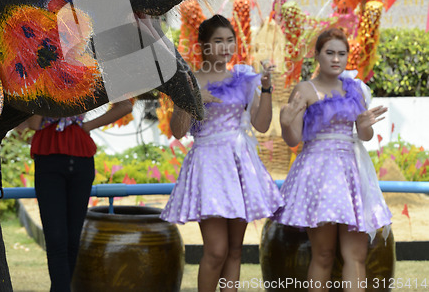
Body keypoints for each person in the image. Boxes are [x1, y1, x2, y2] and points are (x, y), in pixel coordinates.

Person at [160, 15, 284, 292]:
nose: (226, 46)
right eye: (218, 41)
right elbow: (178, 132)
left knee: (235, 251)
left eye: (230, 40)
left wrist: (265, 88)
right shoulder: (188, 81)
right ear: (203, 45)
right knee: (216, 250)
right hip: (208, 165)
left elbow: (261, 125)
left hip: (239, 162)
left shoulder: (244, 79)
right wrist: (189, 101)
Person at [274, 27, 391, 292]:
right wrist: (284, 124)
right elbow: (293, 140)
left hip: (351, 172)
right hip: (318, 173)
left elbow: (364, 135)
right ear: (317, 55)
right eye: (329, 53)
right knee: (324, 254)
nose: (336, 59)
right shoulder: (304, 89)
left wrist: (364, 123)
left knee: (356, 255)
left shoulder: (356, 90)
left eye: (341, 53)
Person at [20, 100, 133, 292]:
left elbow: (126, 106)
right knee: (56, 238)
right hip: (49, 154)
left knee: (73, 238)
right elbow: (33, 124)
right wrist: (48, 100)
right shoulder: (39, 73)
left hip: (80, 154)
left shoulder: (90, 72)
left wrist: (86, 125)